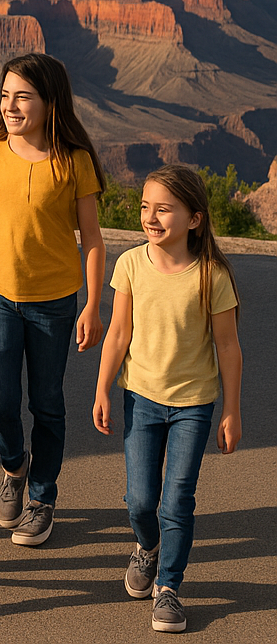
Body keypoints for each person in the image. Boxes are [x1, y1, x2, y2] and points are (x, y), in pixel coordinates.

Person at [0, 52, 106, 548]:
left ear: (49, 101)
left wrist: (93, 305)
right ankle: (15, 466)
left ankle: (42, 498)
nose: (10, 105)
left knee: (47, 403)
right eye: (5, 95)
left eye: (23, 96)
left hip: (54, 301)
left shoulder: (74, 161)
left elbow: (93, 239)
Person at [93, 164, 243, 634]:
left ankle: (169, 588)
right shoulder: (130, 264)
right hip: (141, 398)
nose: (150, 217)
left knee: (176, 499)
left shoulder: (212, 275)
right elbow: (118, 333)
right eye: (145, 207)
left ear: (194, 219)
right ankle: (147, 546)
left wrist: (232, 411)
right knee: (141, 501)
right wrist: (101, 387)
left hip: (193, 406)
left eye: (164, 209)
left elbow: (229, 347)